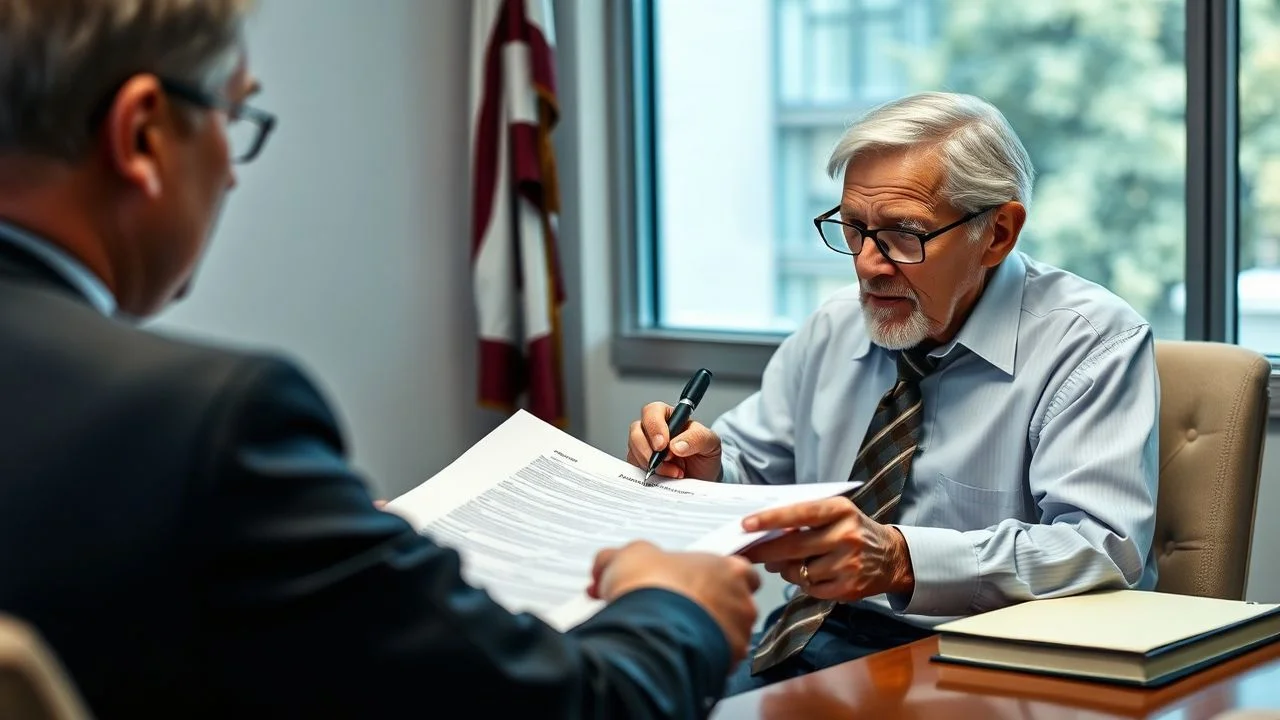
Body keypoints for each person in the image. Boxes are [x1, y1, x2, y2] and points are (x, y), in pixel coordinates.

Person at [0, 1, 760, 718]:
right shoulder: (206, 420)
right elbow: (568, 706)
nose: (231, 170)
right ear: (142, 135)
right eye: (233, 116)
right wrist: (672, 600)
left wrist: (319, 542)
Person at [627, 91, 1159, 695]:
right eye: (854, 228)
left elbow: (1102, 549)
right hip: (806, 633)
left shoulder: (1091, 343)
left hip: (981, 666)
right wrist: (706, 468)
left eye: (905, 235)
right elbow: (757, 469)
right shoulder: (836, 325)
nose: (868, 265)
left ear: (998, 233)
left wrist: (903, 558)